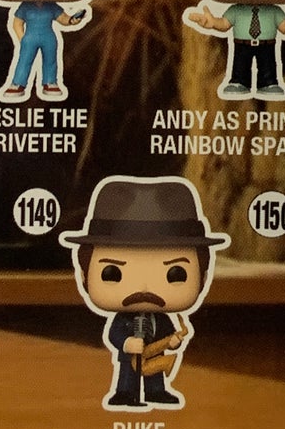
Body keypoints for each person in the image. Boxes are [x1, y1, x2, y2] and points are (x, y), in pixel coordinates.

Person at [60, 175, 228, 411]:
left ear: (203, 274)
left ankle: (156, 391)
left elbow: (167, 336)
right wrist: (127, 342)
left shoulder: (163, 319)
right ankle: (124, 393)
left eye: (176, 273)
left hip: (154, 356)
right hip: (130, 355)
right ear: (84, 273)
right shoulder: (122, 320)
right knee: (127, 374)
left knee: (155, 376)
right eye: (112, 273)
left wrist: (173, 341)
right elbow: (114, 335)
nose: (144, 288)